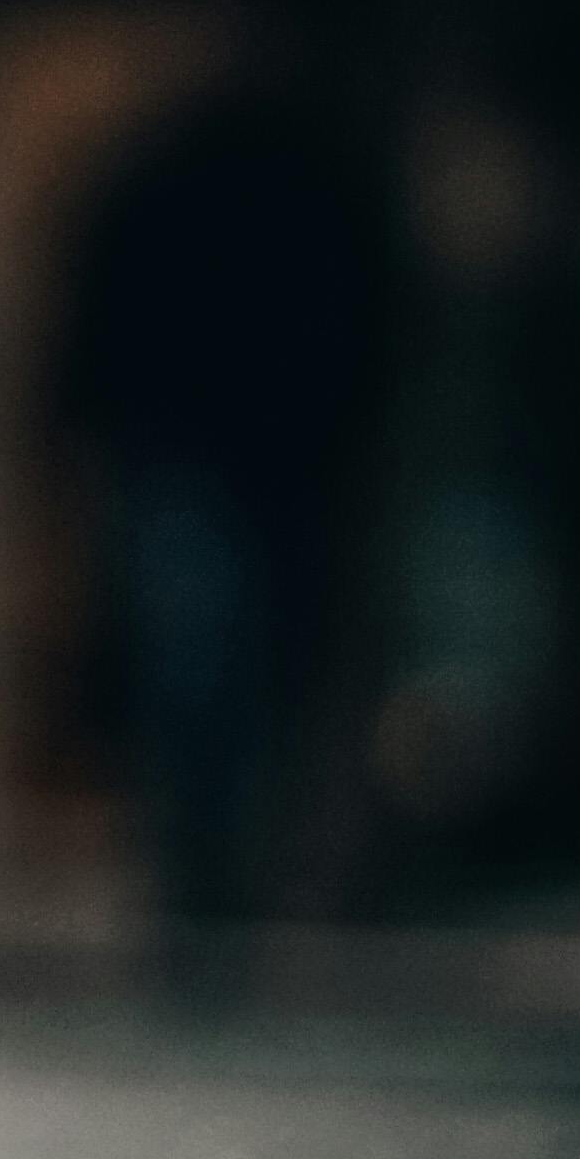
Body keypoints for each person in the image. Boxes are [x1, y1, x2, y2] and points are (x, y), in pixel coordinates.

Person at [52, 56, 391, 935]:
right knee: (242, 670)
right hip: (247, 458)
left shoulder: (161, 183)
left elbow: (92, 321)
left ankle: (209, 864)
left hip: (208, 456)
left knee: (205, 672)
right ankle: (227, 865)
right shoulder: (306, 184)